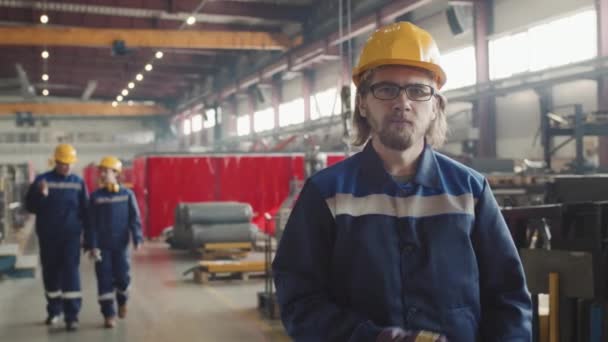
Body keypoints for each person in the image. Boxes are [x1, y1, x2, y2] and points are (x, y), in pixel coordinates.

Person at [272, 22, 532, 341]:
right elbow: (299, 300)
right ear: (363, 103)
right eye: (386, 89)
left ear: (435, 105)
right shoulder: (327, 194)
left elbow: (509, 298)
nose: (402, 103)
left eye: (418, 90)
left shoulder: (470, 191)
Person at [25, 143, 88, 331]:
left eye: (69, 163)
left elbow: (86, 211)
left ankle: (72, 316)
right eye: (63, 163)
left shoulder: (78, 182)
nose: (66, 167)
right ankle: (54, 311)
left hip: (71, 238)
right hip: (48, 238)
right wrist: (41, 194)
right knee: (51, 275)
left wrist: (89, 238)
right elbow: (30, 207)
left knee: (71, 275)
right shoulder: (42, 180)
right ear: (56, 161)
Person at [85, 156, 143, 328]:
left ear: (116, 174)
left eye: (107, 171)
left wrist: (137, 238)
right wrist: (92, 245)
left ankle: (123, 301)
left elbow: (134, 218)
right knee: (104, 280)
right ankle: (108, 314)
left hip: (121, 246)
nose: (102, 174)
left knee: (123, 279)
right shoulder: (95, 197)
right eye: (101, 171)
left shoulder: (127, 195)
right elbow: (91, 224)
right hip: (102, 247)